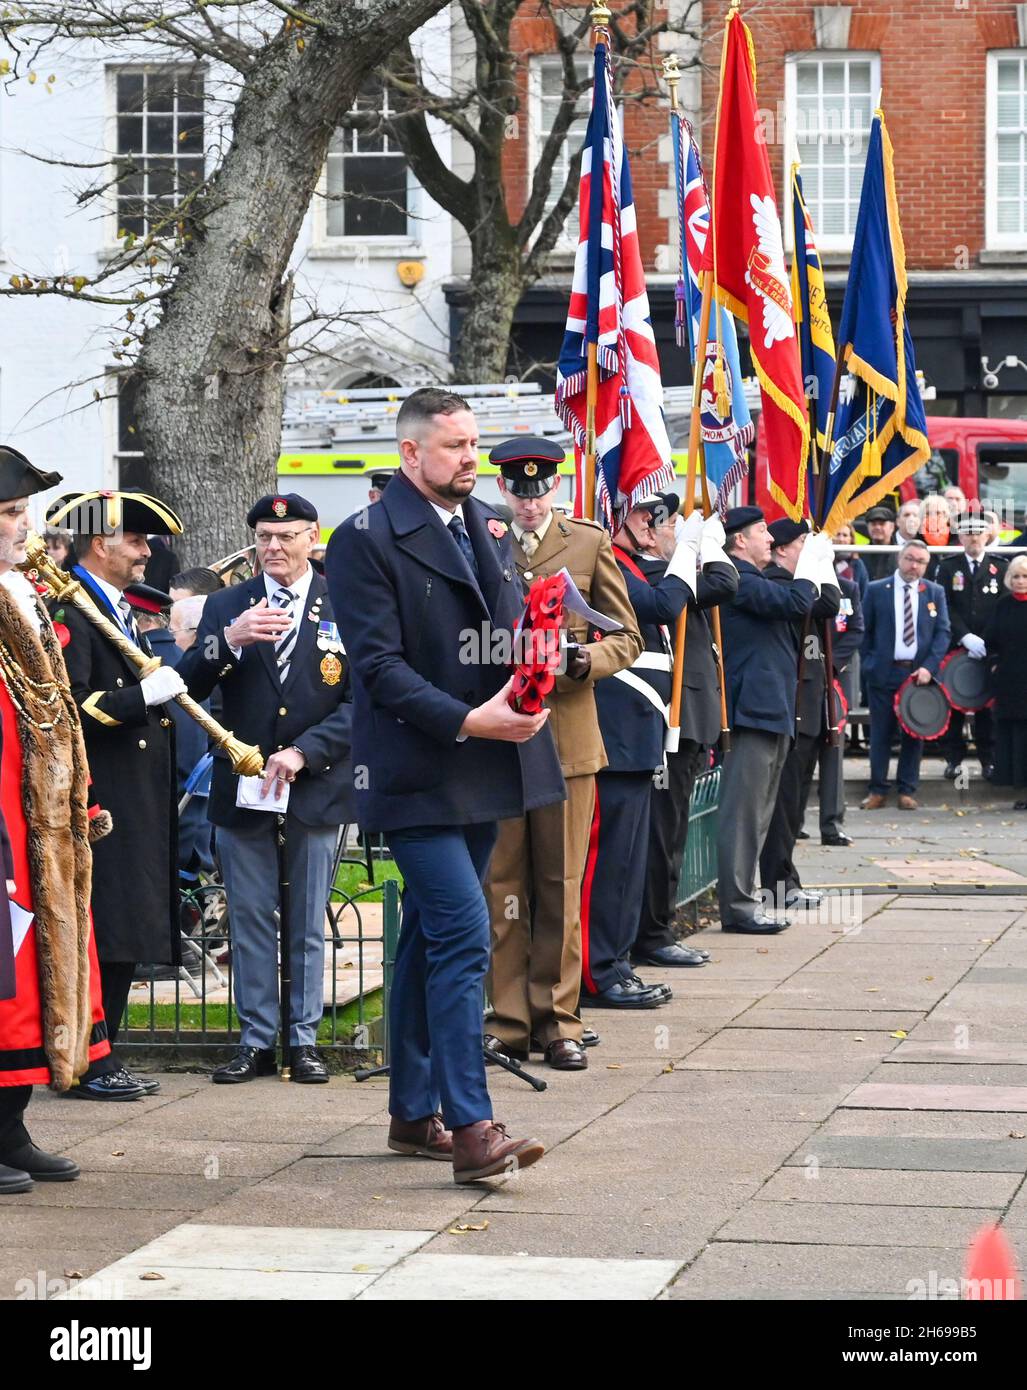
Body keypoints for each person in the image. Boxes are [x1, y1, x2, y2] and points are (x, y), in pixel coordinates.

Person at [326, 387, 564, 1183]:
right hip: (418, 769)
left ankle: (409, 1113)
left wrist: (539, 660)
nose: (471, 458)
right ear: (410, 453)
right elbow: (378, 669)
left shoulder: (484, 525)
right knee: (463, 935)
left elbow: (494, 631)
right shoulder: (363, 539)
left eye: (472, 444)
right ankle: (471, 1127)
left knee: (426, 940)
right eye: (456, 446)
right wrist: (470, 720)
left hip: (485, 766)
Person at [178, 493, 354, 1085]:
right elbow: (188, 685)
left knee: (306, 918)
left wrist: (307, 751)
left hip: (317, 783)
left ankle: (302, 1039)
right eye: (262, 538)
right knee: (251, 916)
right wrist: (227, 640)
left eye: (285, 537)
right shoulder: (229, 603)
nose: (272, 548)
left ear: (313, 537)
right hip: (245, 783)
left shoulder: (346, 599)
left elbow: (365, 699)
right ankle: (256, 1039)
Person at [483, 437, 640, 1069]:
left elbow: (626, 636)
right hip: (498, 738)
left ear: (556, 487)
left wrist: (581, 659)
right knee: (503, 886)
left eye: (539, 489)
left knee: (561, 883)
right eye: (519, 492)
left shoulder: (587, 542)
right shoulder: (481, 540)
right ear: (505, 492)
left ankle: (559, 1022)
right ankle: (507, 1021)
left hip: (568, 740)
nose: (529, 502)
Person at [45, 489, 186, 1100]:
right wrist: (142, 700)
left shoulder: (110, 605)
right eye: (136, 540)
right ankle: (87, 1061)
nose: (146, 552)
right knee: (102, 931)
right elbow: (71, 708)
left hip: (136, 795)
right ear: (100, 543)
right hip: (102, 797)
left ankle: (106, 1054)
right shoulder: (72, 612)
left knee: (123, 930)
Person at [0, 447, 112, 1190]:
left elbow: (54, 714)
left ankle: (9, 1127)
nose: (24, 526)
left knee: (29, 977)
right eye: (10, 513)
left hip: (33, 811)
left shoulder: (21, 594)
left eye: (21, 512)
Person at [581, 495, 719, 1006]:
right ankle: (597, 973)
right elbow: (662, 606)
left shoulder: (635, 564)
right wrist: (684, 554)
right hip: (613, 736)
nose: (653, 524)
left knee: (627, 864)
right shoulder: (610, 563)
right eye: (645, 514)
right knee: (607, 864)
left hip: (638, 736)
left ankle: (615, 964)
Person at [632, 503, 737, 968]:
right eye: (672, 525)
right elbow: (724, 582)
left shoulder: (668, 571)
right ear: (649, 536)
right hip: (671, 721)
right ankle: (651, 935)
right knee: (662, 836)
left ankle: (656, 928)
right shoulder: (655, 573)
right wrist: (707, 544)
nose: (679, 531)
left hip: (692, 717)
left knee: (672, 834)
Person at [716, 508, 830, 934]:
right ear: (739, 541)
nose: (769, 537)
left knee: (759, 815)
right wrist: (811, 563)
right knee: (743, 816)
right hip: (752, 711)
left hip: (771, 709)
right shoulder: (738, 579)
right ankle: (739, 906)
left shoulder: (757, 579)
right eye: (761, 531)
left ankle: (746, 901)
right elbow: (798, 601)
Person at [758, 519, 841, 911]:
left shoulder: (797, 582)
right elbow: (818, 602)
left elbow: (829, 605)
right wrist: (817, 569)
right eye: (803, 543)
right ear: (782, 549)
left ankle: (787, 879)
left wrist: (821, 564)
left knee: (794, 806)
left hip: (809, 708)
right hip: (791, 708)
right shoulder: (776, 581)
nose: (808, 548)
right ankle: (777, 884)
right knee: (783, 805)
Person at [861, 538, 951, 810]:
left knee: (914, 734)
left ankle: (907, 790)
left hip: (918, 676)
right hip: (884, 673)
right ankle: (877, 789)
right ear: (900, 559)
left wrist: (929, 667)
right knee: (880, 734)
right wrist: (869, 663)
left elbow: (942, 633)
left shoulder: (934, 592)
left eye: (921, 562)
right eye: (910, 559)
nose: (915, 566)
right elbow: (864, 630)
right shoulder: (877, 590)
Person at [935, 511, 1008, 781]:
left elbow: (1002, 608)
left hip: (989, 648)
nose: (974, 537)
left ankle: (988, 760)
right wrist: (965, 636)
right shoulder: (948, 566)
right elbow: (945, 605)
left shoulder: (1000, 567)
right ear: (960, 536)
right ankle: (953, 760)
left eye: (978, 532)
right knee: (954, 703)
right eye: (968, 532)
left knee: (987, 705)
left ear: (988, 534)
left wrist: (986, 640)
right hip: (957, 645)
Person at [807, 570, 864, 846]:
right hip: (805, 680)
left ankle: (831, 824)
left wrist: (833, 664)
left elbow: (856, 629)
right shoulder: (800, 584)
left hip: (836, 679)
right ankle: (793, 822)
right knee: (800, 755)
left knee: (833, 754)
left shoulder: (847, 588)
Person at [984, 556, 1027, 809]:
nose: (1021, 581)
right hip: (1011, 681)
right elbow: (991, 639)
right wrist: (994, 661)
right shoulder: (1002, 605)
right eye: (1016, 576)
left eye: (1025, 576)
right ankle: (1022, 791)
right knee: (1017, 737)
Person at [857, 505, 899, 581]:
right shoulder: (859, 554)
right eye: (873, 524)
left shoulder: (901, 554)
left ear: (892, 527)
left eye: (882, 524)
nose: (877, 527)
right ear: (867, 527)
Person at [832, 523, 869, 604]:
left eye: (845, 535)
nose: (841, 539)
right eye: (837, 534)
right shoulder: (825, 562)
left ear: (851, 539)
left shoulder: (858, 564)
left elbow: (864, 592)